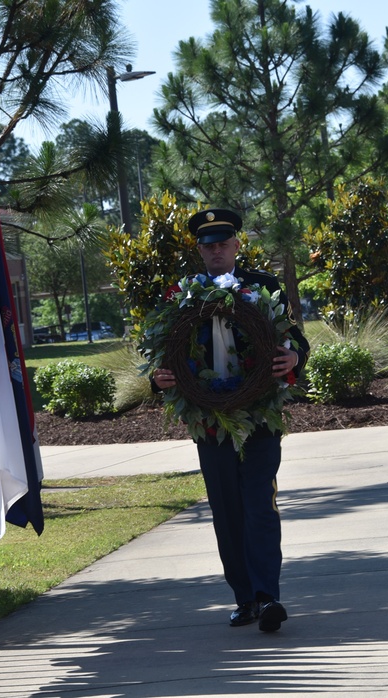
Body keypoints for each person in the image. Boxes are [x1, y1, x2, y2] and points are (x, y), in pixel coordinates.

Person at [152, 208, 310, 632]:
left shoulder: (264, 286)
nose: (216, 250)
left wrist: (293, 356)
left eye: (223, 242)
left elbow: (295, 338)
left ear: (237, 245)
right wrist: (159, 377)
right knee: (226, 510)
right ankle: (244, 599)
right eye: (208, 244)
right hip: (209, 421)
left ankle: (267, 595)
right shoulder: (179, 296)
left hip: (258, 417)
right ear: (199, 249)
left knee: (259, 503)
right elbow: (160, 354)